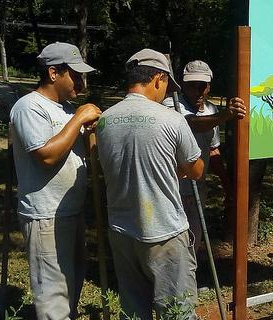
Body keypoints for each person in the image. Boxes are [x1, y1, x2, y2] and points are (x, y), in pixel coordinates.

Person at [96, 49, 204, 320]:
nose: (166, 92)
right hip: (164, 231)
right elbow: (197, 170)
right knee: (176, 311)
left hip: (122, 231)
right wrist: (178, 167)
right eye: (167, 84)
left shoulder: (105, 120)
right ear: (158, 78)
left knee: (133, 310)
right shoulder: (171, 119)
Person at [9, 42, 101, 319]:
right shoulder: (29, 107)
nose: (81, 83)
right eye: (76, 75)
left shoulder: (66, 109)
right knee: (53, 297)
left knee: (71, 287)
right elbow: (46, 156)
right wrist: (79, 120)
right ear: (53, 73)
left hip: (71, 211)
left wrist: (84, 130)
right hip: (45, 214)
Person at [162, 60, 246, 249]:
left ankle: (190, 276)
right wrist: (224, 116)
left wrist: (227, 185)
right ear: (183, 85)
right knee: (173, 245)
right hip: (171, 188)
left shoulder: (211, 109)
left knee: (194, 241)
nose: (198, 91)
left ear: (209, 86)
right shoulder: (172, 105)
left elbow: (213, 149)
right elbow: (190, 123)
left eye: (203, 86)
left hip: (197, 190)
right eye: (193, 86)